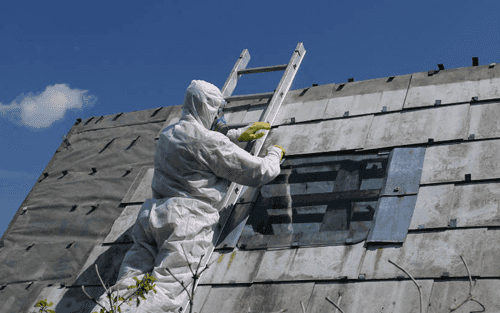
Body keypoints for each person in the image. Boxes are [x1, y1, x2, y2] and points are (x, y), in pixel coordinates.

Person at [91, 80, 285, 313]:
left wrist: (233, 135)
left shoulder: (168, 134)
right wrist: (274, 154)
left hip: (153, 217)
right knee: (167, 291)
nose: (219, 118)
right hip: (187, 221)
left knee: (127, 287)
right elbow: (258, 171)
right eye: (218, 111)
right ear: (207, 108)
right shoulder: (211, 142)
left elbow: (195, 146)